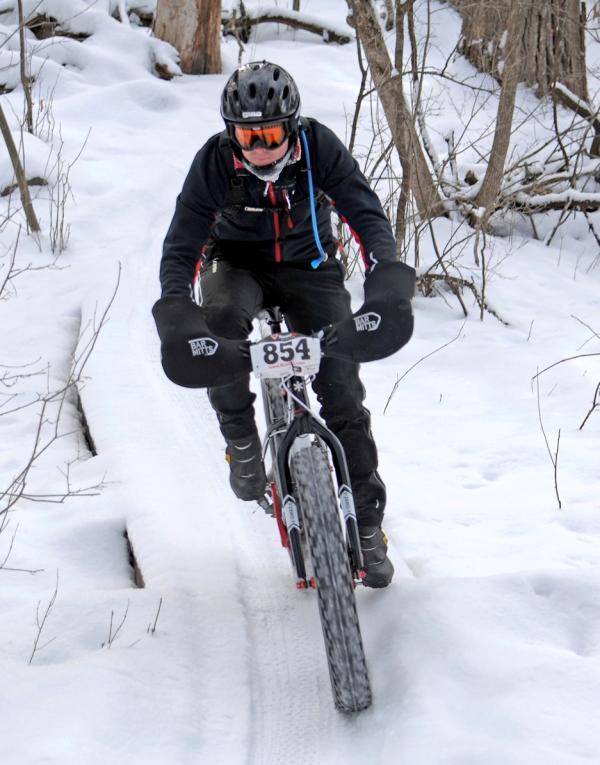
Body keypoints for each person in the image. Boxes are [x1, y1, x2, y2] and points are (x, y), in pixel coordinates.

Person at [154, 61, 415, 588]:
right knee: (221, 322)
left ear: (291, 127)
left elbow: (364, 214)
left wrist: (385, 276)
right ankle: (243, 443)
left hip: (310, 266)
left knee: (342, 387)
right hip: (236, 265)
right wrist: (176, 309)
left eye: (269, 135)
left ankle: (367, 523)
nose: (258, 149)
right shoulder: (214, 162)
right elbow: (183, 243)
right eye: (247, 136)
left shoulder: (319, 147)